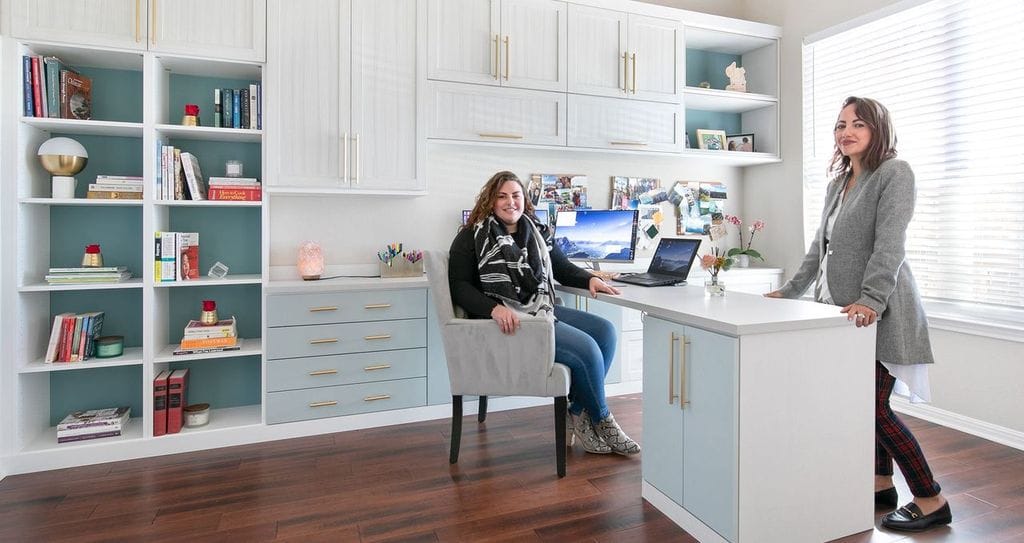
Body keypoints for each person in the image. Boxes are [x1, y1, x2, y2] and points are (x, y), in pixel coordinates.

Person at [765, 97, 950, 532]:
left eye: (858, 124)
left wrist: (870, 299)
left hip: (884, 310)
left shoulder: (894, 173)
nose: (846, 132)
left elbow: (890, 245)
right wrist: (790, 291)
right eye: (840, 124)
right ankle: (880, 483)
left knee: (872, 406)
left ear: (877, 129)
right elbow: (819, 250)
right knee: (863, 402)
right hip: (846, 315)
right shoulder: (840, 181)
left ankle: (931, 498)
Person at [448, 171, 641, 456]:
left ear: (524, 199)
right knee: (587, 348)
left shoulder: (536, 230)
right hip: (511, 323)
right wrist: (493, 308)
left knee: (605, 332)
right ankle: (603, 420)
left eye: (515, 195)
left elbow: (561, 267)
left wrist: (589, 279)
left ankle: (576, 413)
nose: (509, 202)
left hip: (540, 310)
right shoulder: (471, 236)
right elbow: (459, 286)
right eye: (502, 196)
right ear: (490, 201)